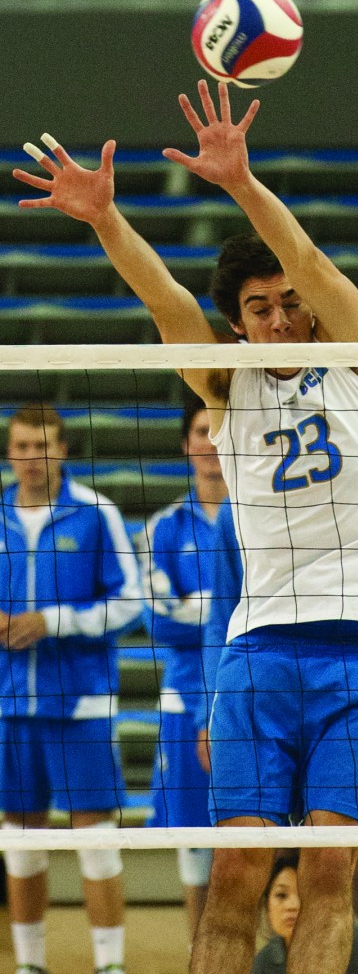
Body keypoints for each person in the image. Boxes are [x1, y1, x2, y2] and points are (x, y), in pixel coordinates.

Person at [13, 80, 358, 974]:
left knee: (330, 868)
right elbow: (165, 304)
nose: (279, 316)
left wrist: (239, 182)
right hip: (260, 646)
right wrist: (106, 221)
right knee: (234, 866)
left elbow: (307, 258)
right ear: (237, 326)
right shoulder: (225, 390)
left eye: (288, 302)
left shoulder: (356, 356)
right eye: (259, 308)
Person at [201, 500, 358, 942]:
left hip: (350, 672)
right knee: (238, 865)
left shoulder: (355, 479)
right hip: (263, 679)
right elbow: (220, 615)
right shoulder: (237, 508)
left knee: (335, 860)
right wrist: (206, 713)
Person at [0, 403, 143, 974]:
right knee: (22, 840)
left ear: (63, 451)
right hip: (10, 703)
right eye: (22, 446)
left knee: (97, 840)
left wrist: (53, 620)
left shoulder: (94, 513)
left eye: (43, 446)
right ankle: (31, 965)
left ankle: (110, 966)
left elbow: (130, 601)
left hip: (79, 701)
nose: (32, 458)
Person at [138, 392, 228, 941]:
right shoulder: (163, 529)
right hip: (184, 700)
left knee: (265, 839)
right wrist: (227, 608)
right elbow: (159, 621)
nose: (212, 444)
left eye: (219, 431)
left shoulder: (266, 519)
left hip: (251, 695)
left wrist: (204, 607)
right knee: (194, 841)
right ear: (186, 445)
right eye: (201, 432)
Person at [252, 853, 358, 974]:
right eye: (281, 895)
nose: (291, 906)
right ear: (266, 905)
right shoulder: (263, 963)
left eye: (303, 893)